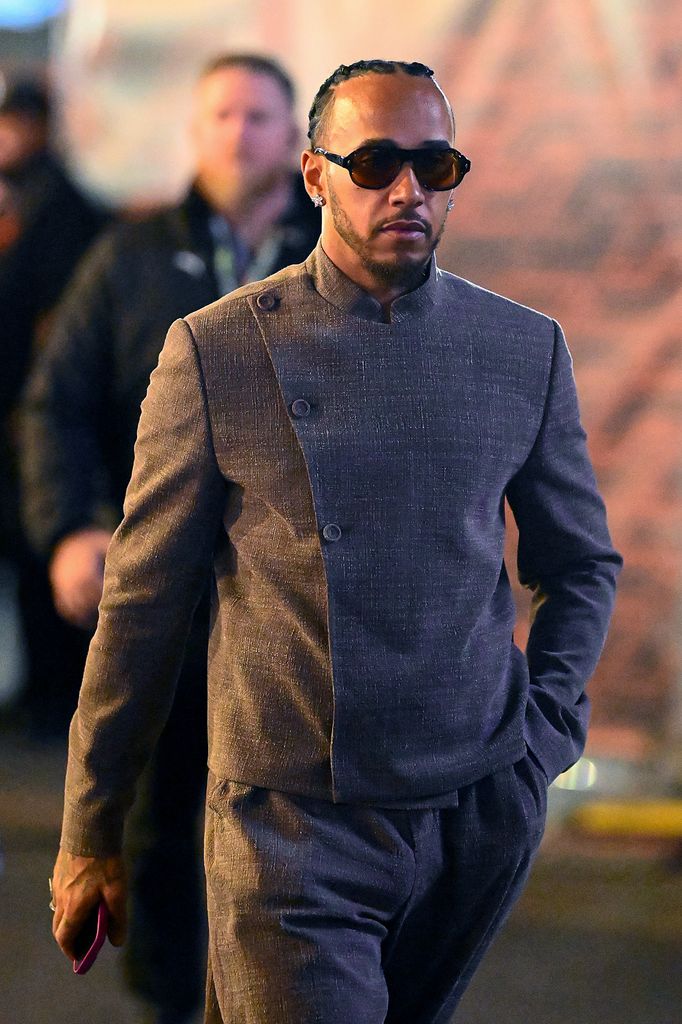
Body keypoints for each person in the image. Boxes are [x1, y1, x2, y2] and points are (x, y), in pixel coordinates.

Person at [49, 59, 621, 1024]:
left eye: (433, 166)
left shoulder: (522, 349)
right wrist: (89, 827)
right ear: (315, 176)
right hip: (289, 824)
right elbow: (141, 609)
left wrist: (544, 735)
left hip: (474, 808)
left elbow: (581, 565)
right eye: (374, 163)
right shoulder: (219, 350)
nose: (406, 190)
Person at [23, 54, 319, 1024]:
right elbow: (54, 404)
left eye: (261, 115)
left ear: (297, 141)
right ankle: (167, 1003)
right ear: (196, 132)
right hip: (165, 584)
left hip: (296, 602)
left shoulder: (335, 257)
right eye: (221, 112)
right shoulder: (132, 257)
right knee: (158, 815)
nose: (239, 131)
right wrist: (71, 527)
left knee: (290, 819)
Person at [0, 78, 106, 736]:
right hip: (18, 409)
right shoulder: (23, 198)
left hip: (33, 411)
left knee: (45, 548)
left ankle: (53, 695)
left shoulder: (60, 208)